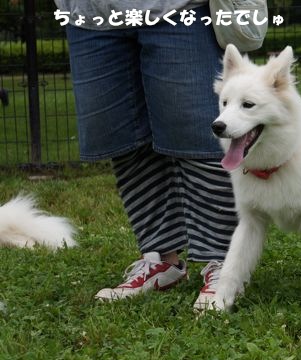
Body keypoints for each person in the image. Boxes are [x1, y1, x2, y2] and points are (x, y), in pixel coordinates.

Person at [53, 0, 237, 311]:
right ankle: (160, 258)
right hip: (88, 12)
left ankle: (225, 264)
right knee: (123, 136)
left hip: (177, 7)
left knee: (198, 134)